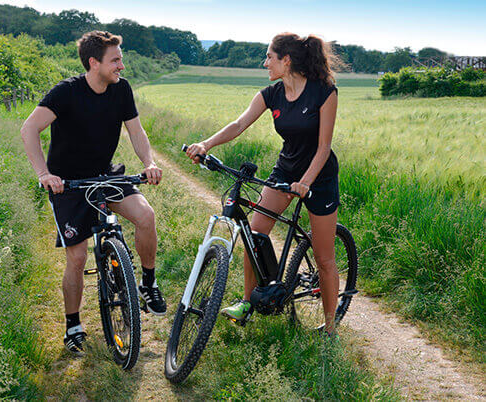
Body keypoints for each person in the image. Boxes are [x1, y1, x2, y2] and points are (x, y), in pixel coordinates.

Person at [21, 30, 167, 355]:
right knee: (77, 257)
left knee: (146, 216)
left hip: (105, 175)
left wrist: (150, 162)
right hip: (69, 184)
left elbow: (136, 131)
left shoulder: (121, 90)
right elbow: (29, 129)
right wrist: (44, 174)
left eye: (120, 59)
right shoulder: (66, 92)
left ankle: (147, 284)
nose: (122, 66)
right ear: (93, 63)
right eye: (115, 60)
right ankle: (73, 325)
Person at [186, 32, 341, 335]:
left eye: (269, 56)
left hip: (318, 177)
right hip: (286, 170)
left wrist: (306, 182)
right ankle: (247, 302)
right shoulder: (272, 93)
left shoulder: (324, 92)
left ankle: (331, 326)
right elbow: (239, 124)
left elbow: (323, 147)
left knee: (324, 258)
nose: (265, 62)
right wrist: (206, 144)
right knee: (254, 236)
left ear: (287, 60)